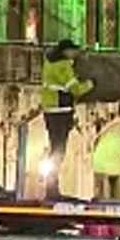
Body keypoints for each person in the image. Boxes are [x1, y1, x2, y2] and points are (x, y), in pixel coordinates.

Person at [40, 39, 94, 199]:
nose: (75, 54)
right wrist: (90, 84)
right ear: (66, 51)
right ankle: (52, 188)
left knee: (56, 148)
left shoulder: (51, 62)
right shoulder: (62, 66)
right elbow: (76, 89)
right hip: (59, 110)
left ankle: (52, 187)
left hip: (53, 109)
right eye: (73, 51)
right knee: (58, 150)